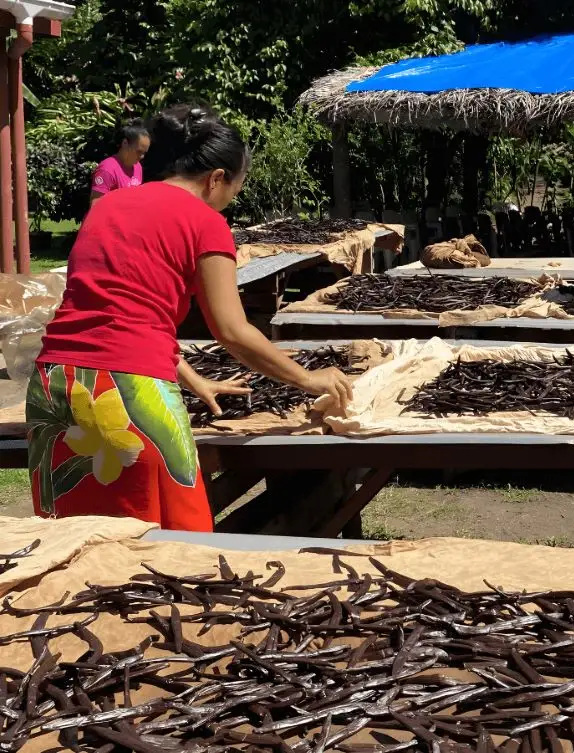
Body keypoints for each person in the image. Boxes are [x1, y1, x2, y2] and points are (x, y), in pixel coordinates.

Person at [29, 104, 352, 532]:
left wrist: (191, 378)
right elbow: (233, 331)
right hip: (125, 398)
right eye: (233, 190)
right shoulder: (205, 222)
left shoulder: (108, 208)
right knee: (175, 555)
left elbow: (113, 311)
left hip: (55, 388)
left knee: (76, 553)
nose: (228, 203)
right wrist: (308, 379)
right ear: (216, 178)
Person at [90, 119, 150, 205]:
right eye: (139, 152)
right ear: (125, 143)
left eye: (144, 153)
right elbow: (95, 206)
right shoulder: (107, 170)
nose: (142, 156)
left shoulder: (138, 167)